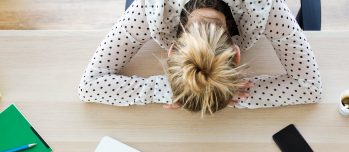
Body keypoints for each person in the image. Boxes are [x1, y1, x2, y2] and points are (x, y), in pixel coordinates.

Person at [78, 0, 322, 115]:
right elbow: (89, 86)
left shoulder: (263, 6)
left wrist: (182, 89)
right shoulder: (151, 7)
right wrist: (180, 88)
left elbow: (311, 89)